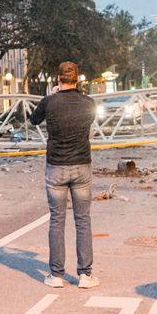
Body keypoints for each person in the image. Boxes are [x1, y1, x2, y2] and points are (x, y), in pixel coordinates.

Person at [31, 61, 98, 289]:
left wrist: (51, 96)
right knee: (83, 220)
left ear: (57, 79)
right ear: (77, 79)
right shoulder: (88, 103)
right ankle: (85, 275)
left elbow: (33, 120)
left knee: (57, 220)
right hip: (81, 165)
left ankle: (56, 275)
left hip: (56, 166)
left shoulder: (50, 102)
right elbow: (90, 121)